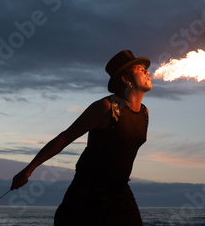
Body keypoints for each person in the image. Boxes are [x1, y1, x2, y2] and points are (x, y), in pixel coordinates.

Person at [11, 50, 152, 225]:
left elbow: (122, 147)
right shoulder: (106, 108)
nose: (147, 71)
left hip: (120, 191)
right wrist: (29, 169)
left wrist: (117, 170)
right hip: (89, 192)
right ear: (126, 79)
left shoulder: (144, 113)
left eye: (146, 69)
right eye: (140, 69)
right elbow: (65, 137)